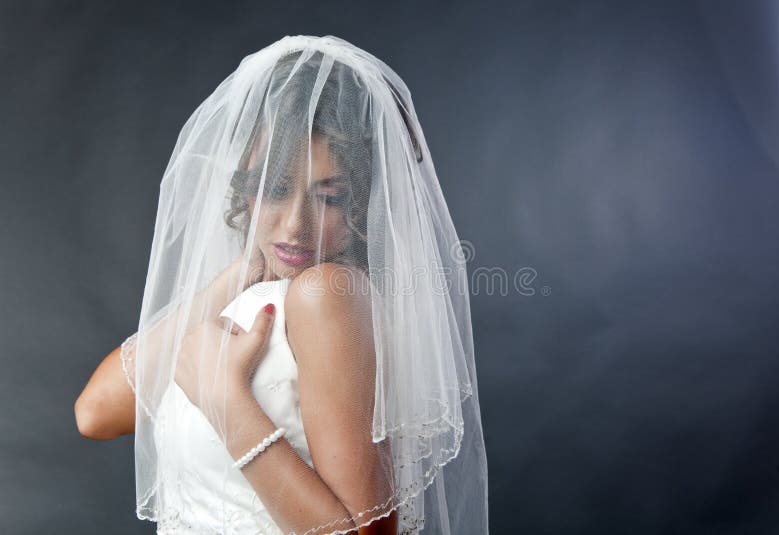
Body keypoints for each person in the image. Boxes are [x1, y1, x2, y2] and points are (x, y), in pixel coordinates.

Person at [75, 35, 488, 534]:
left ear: (366, 203)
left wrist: (227, 404)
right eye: (273, 189)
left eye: (329, 198)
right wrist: (241, 273)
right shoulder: (256, 294)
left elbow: (368, 533)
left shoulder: (325, 295)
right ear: (244, 186)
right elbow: (96, 414)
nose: (295, 226)